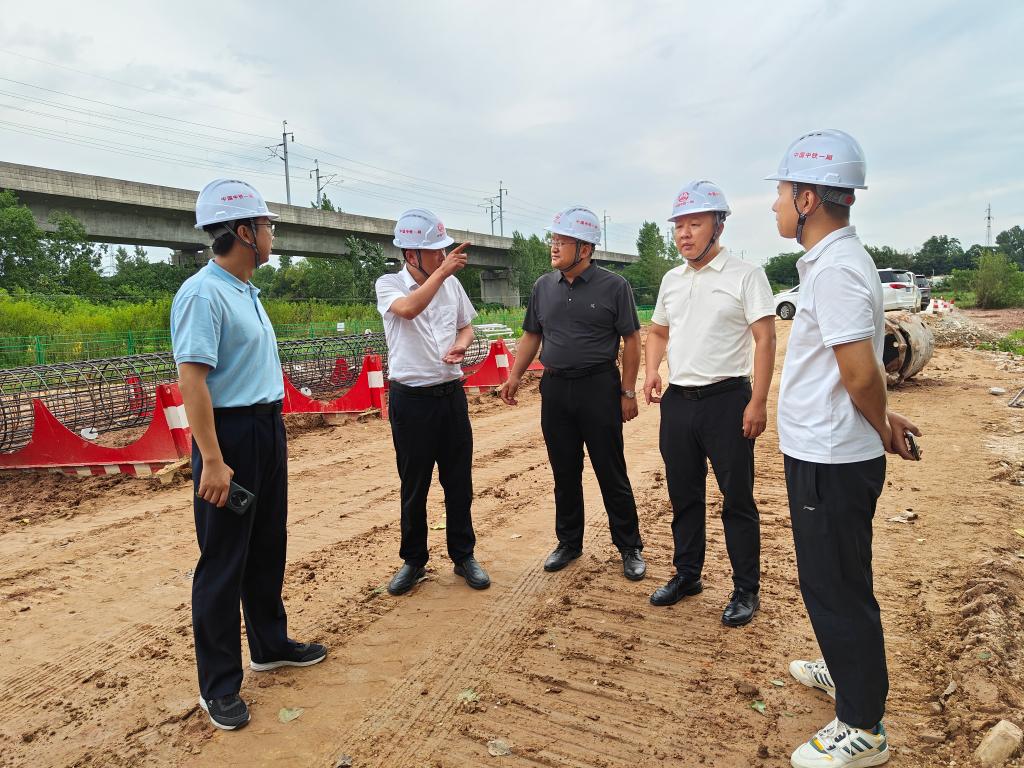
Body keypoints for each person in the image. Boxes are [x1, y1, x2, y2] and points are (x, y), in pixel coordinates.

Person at [766, 130, 921, 767]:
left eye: (781, 193)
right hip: (826, 448)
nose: (775, 205)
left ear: (808, 199)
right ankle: (844, 667)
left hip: (831, 457)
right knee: (833, 578)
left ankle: (863, 726)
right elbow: (855, 373)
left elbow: (859, 374)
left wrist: (879, 422)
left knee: (836, 587)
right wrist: (884, 416)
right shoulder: (834, 264)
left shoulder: (835, 270)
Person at [171, 179, 327, 731]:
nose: (271, 235)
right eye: (266, 226)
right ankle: (218, 686)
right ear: (243, 232)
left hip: (265, 428)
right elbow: (192, 381)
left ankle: (269, 643)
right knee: (222, 559)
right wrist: (212, 460)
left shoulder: (245, 289)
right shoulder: (203, 294)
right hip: (229, 436)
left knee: (266, 543)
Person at [643, 180, 776, 627]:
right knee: (683, 495)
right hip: (679, 402)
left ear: (718, 226)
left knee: (736, 499)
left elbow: (765, 338)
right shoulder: (672, 279)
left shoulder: (745, 275)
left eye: (695, 224)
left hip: (727, 400)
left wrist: (758, 401)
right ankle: (687, 575)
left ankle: (746, 589)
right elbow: (657, 331)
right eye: (678, 226)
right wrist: (652, 370)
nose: (684, 234)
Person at [499, 206, 646, 581]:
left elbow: (632, 340)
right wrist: (514, 376)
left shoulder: (614, 286)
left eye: (562, 241)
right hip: (555, 388)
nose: (554, 246)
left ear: (585, 248)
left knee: (610, 470)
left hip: (598, 387)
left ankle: (629, 547)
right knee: (564, 471)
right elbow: (532, 334)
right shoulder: (543, 287)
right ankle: (569, 542)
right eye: (553, 239)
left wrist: (628, 391)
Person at [375, 208, 490, 596]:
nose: (442, 257)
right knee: (415, 484)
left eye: (443, 251)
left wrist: (462, 344)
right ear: (412, 255)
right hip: (411, 401)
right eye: (435, 251)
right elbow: (409, 309)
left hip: (449, 397)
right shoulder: (389, 284)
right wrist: (443, 273)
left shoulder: (451, 285)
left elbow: (465, 326)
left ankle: (463, 555)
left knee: (458, 482)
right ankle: (413, 560)